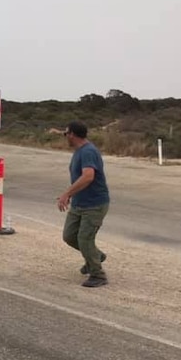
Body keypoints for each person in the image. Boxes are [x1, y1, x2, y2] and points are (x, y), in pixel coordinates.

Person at [57, 121, 110, 288]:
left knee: (85, 238)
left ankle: (98, 275)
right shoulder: (79, 151)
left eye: (66, 134)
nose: (65, 137)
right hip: (80, 203)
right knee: (69, 236)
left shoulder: (88, 152)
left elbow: (88, 176)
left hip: (94, 204)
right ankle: (95, 256)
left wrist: (67, 193)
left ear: (72, 134)